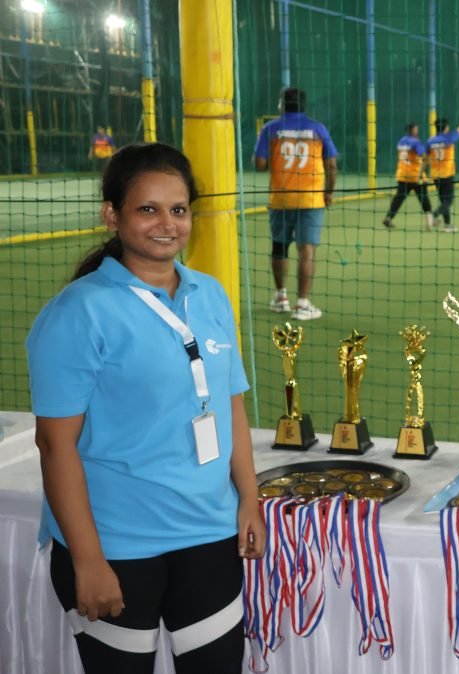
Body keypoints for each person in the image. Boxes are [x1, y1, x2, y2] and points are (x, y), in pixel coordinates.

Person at [26, 142, 266, 674]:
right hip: (117, 544)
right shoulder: (78, 312)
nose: (167, 224)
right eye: (147, 209)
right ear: (112, 215)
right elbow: (54, 445)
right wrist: (88, 560)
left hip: (209, 535)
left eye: (178, 209)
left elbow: (231, 406)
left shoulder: (210, 294)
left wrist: (248, 499)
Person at [254, 87, 338, 320]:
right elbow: (332, 166)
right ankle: (302, 304)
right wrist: (329, 193)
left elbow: (259, 165)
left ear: (281, 105)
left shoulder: (270, 128)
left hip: (281, 199)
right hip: (311, 199)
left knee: (279, 247)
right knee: (306, 250)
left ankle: (281, 298)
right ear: (303, 105)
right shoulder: (318, 128)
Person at [426, 104, 459, 233]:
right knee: (448, 201)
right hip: (447, 174)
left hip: (435, 175)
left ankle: (447, 225)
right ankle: (433, 216)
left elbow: (426, 157)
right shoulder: (449, 138)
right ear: (446, 128)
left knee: (443, 201)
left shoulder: (430, 140)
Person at [382, 122, 434, 231]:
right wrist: (423, 170)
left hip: (402, 175)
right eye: (416, 129)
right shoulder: (416, 142)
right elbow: (424, 157)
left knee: (398, 198)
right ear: (412, 131)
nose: (417, 131)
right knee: (424, 198)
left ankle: (388, 217)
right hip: (415, 176)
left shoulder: (401, 141)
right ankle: (429, 222)